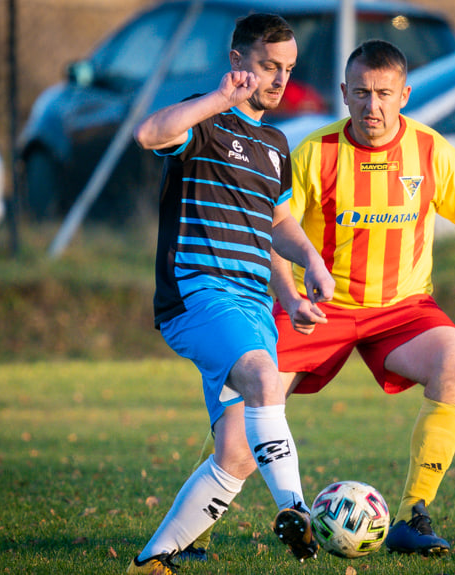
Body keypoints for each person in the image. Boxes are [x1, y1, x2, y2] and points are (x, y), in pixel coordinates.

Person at [185, 38, 455, 559]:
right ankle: (193, 531)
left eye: (385, 94)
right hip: (318, 310)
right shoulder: (314, 152)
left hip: (402, 309)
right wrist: (290, 293)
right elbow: (274, 233)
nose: (373, 106)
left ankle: (414, 516)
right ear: (345, 93)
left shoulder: (432, 150)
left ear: (405, 95)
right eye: (363, 93)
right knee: (249, 413)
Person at [125, 13, 335, 574]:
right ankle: (295, 510)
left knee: (239, 454)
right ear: (237, 61)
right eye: (269, 66)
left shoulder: (275, 143)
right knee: (266, 380)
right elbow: (149, 135)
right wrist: (216, 99)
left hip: (251, 306)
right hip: (198, 295)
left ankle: (154, 560)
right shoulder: (205, 121)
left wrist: (304, 272)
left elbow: (278, 222)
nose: (279, 79)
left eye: (287, 69)